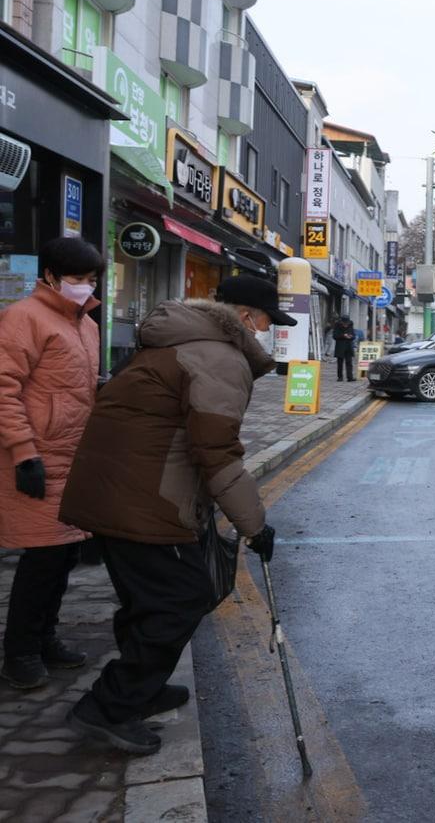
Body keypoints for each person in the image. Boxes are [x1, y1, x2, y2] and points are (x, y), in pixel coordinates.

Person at [58, 275, 291, 755]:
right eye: (267, 320)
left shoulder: (182, 339)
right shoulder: (219, 358)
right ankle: (107, 706)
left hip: (113, 491)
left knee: (148, 601)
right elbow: (217, 450)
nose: (267, 330)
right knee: (183, 597)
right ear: (246, 316)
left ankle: (141, 688)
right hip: (146, 500)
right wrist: (255, 525)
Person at [0, 238, 103, 689]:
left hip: (72, 459)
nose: (86, 287)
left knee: (63, 558)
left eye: (92, 279)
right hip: (36, 460)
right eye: (78, 279)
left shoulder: (87, 325)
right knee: (41, 559)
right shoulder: (24, 317)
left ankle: (45, 639)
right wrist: (24, 454)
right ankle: (19, 653)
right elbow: (3, 389)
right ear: (49, 277)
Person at [332, 315, 357, 382]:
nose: (346, 325)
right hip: (340, 346)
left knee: (349, 362)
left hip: (348, 346)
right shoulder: (337, 325)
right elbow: (334, 336)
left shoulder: (351, 324)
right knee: (340, 362)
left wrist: (351, 336)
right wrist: (343, 335)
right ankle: (340, 377)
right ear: (341, 322)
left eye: (347, 323)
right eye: (344, 323)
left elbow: (353, 335)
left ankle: (350, 377)